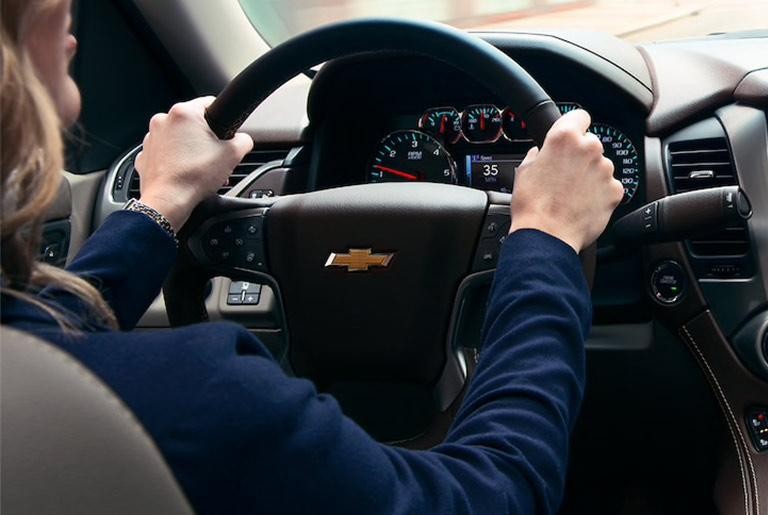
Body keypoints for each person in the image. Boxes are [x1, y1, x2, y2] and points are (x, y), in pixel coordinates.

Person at [0, 1, 624, 513]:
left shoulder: (34, 371)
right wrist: (546, 237)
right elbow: (495, 495)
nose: (74, 22)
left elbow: (43, 336)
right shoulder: (205, 397)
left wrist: (161, 201)